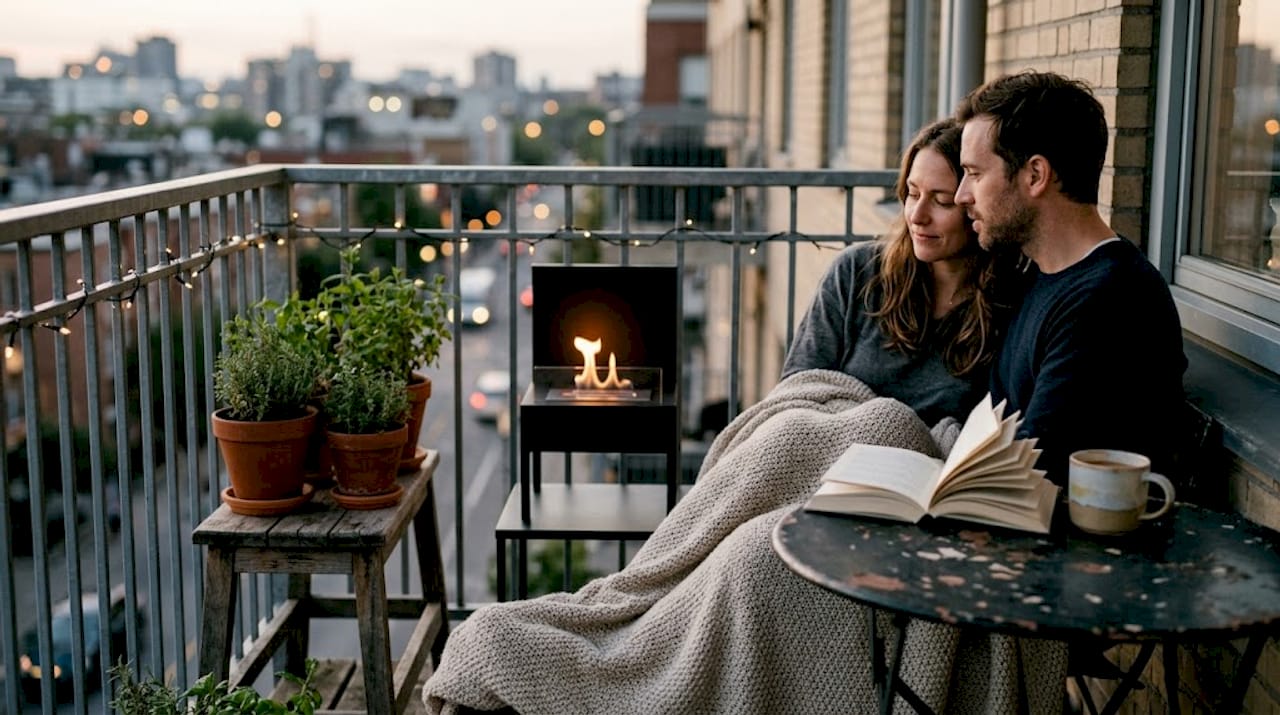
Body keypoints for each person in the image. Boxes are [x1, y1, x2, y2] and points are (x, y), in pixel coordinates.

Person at [953, 71, 1187, 483]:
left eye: (974, 173)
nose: (961, 196)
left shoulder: (1111, 298)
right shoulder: (1037, 274)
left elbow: (1035, 467)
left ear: (1035, 175)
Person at [782, 117, 1022, 426]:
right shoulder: (857, 272)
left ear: (975, 205)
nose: (917, 216)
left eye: (942, 201)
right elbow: (797, 390)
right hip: (833, 462)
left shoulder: (1008, 303)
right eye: (912, 193)